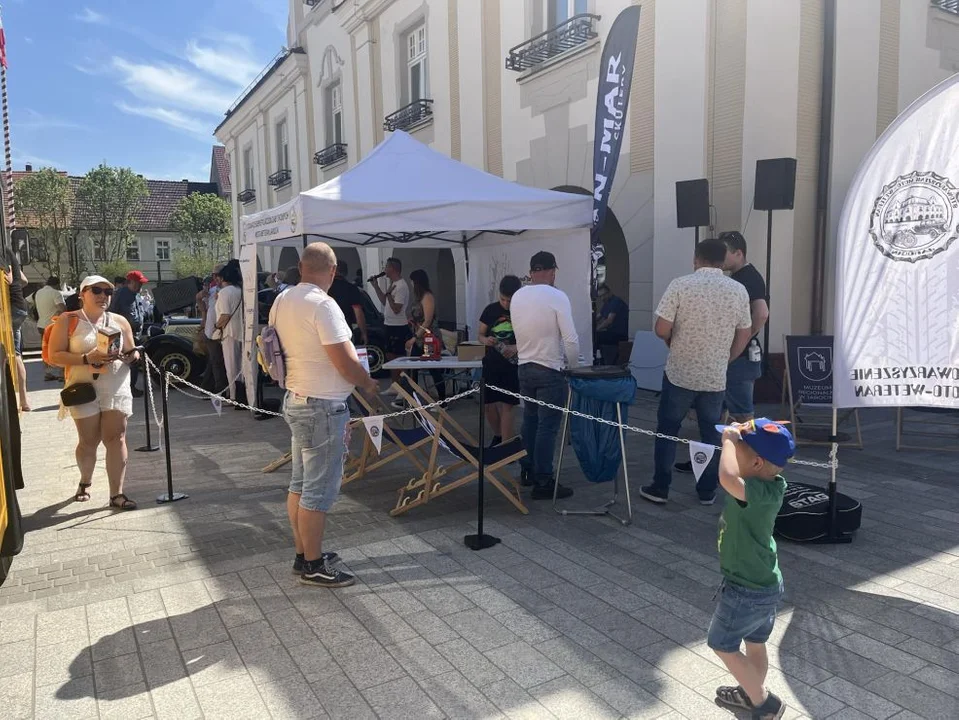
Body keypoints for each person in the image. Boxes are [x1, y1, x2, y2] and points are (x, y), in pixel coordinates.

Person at [271, 242, 377, 588]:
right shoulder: (324, 305)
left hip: (297, 397)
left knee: (300, 485)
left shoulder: (282, 299)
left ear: (301, 267)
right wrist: (367, 383)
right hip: (323, 405)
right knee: (319, 491)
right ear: (333, 271)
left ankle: (304, 555)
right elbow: (345, 362)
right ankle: (314, 565)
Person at [641, 238, 753, 506]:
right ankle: (707, 490)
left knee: (668, 428)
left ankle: (660, 487)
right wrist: (727, 357)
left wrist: (671, 339)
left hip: (680, 370)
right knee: (711, 434)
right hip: (715, 376)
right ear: (724, 260)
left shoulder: (681, 285)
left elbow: (661, 328)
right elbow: (745, 331)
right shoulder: (738, 290)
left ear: (696, 258)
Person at [708, 418, 793, 720]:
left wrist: (728, 440)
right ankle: (751, 692)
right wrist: (738, 436)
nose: (731, 451)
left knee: (721, 643)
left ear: (756, 463)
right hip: (763, 584)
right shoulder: (767, 486)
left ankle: (764, 703)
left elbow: (728, 478)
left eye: (738, 450)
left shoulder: (755, 493)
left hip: (747, 589)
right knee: (755, 644)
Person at [675, 231, 771, 475]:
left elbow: (761, 313)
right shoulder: (738, 278)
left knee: (741, 415)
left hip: (739, 359)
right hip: (729, 356)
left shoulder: (748, 278)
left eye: (724, 252)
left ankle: (746, 466)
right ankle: (709, 463)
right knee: (718, 415)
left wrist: (739, 343)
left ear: (738, 253)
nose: (720, 257)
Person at [48, 275, 140, 510]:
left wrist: (129, 355)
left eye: (107, 292)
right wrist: (86, 358)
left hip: (115, 386)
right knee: (89, 442)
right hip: (83, 389)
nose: (103, 296)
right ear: (82, 294)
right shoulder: (68, 320)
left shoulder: (119, 321)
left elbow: (132, 352)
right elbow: (55, 355)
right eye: (96, 291)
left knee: (116, 438)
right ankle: (85, 481)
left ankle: (116, 494)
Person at [510, 251, 579, 500]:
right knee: (547, 427)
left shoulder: (518, 296)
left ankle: (527, 471)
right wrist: (573, 366)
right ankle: (544, 480)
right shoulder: (557, 296)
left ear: (531, 272)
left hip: (524, 366)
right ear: (551, 272)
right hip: (549, 367)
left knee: (530, 421)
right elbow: (570, 338)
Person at [479, 275, 522, 446]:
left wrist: (516, 347)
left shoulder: (523, 311)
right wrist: (485, 340)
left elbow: (530, 338)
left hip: (511, 364)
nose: (506, 304)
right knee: (488, 404)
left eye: (510, 301)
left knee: (507, 405)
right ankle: (498, 436)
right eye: (503, 299)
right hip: (492, 361)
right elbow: (480, 334)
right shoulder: (490, 310)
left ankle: (506, 442)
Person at [402, 269, 446, 404]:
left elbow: (428, 320)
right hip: (418, 337)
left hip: (429, 339)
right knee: (413, 368)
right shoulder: (418, 298)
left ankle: (443, 401)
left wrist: (415, 336)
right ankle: (413, 399)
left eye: (412, 281)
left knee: (434, 369)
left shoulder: (427, 297)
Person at [369, 257, 410, 390]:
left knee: (397, 357)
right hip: (389, 324)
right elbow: (385, 302)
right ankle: (394, 385)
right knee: (389, 355)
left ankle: (400, 386)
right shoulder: (393, 284)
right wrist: (376, 287)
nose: (384, 270)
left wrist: (389, 297)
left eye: (386, 267)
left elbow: (397, 309)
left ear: (393, 268)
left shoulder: (401, 286)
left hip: (398, 326)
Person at [110, 270, 149, 398]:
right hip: (124, 335)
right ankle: (128, 387)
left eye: (141, 284)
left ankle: (131, 386)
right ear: (130, 282)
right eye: (138, 283)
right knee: (128, 362)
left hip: (135, 334)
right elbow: (113, 314)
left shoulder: (136, 295)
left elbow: (140, 312)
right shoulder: (121, 294)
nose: (140, 286)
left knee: (134, 362)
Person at [214, 259, 244, 404]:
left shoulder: (225, 292)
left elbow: (224, 315)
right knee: (240, 366)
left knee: (231, 367)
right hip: (240, 330)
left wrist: (216, 326)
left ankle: (234, 396)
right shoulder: (239, 291)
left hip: (229, 331)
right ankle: (240, 393)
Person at [5, 246, 30, 411]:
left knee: (12, 354)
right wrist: (14, 286)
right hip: (20, 307)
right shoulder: (7, 252)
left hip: (9, 308)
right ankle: (24, 400)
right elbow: (25, 280)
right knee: (16, 355)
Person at [199, 265, 228, 395]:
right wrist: (204, 320)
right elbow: (200, 300)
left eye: (216, 275)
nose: (214, 278)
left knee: (215, 362)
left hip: (219, 330)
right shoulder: (212, 290)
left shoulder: (225, 291)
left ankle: (210, 387)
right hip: (212, 330)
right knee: (215, 361)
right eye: (213, 275)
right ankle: (216, 388)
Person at [328, 260, 368, 346]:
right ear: (345, 272)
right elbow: (358, 312)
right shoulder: (351, 288)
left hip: (326, 329)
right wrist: (363, 333)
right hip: (345, 329)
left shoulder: (325, 287)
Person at [35, 276, 66, 382]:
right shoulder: (56, 293)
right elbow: (63, 309)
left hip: (41, 325)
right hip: (53, 326)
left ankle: (48, 373)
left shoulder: (38, 293)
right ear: (57, 284)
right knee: (61, 348)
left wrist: (33, 316)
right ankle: (62, 374)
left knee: (45, 349)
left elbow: (26, 302)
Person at [595, 284, 630, 364]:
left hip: (620, 334)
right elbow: (598, 317)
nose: (602, 298)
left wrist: (596, 329)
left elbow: (609, 320)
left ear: (609, 292)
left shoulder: (616, 301)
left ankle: (599, 361)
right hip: (612, 333)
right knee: (595, 336)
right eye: (600, 296)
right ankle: (601, 359)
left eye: (604, 295)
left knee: (596, 337)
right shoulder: (607, 303)